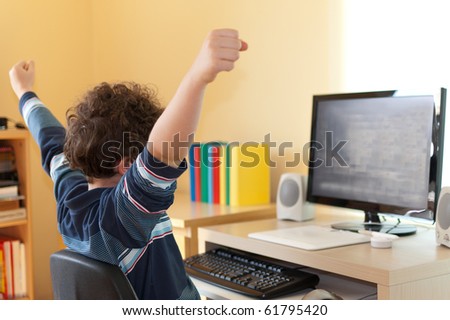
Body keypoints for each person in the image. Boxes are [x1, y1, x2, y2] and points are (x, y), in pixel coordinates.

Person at [9, 28, 247, 300]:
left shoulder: (70, 197)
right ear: (129, 165)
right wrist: (197, 77)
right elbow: (162, 154)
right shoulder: (120, 220)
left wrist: (24, 90)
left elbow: (49, 138)